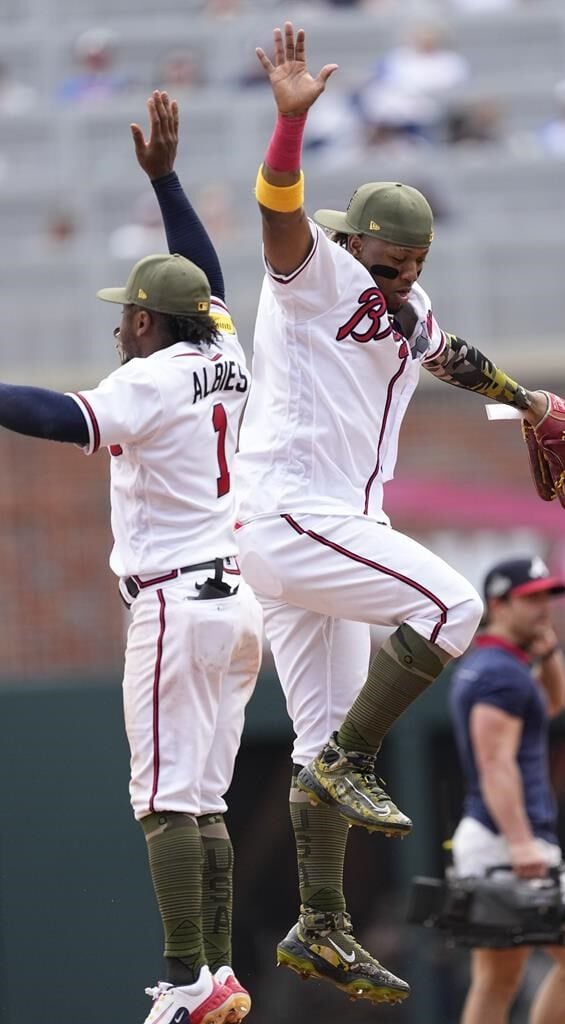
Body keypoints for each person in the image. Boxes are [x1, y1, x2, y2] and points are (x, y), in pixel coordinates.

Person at [232, 21, 565, 1005]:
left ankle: (320, 923)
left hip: (318, 533)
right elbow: (274, 209)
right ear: (350, 244)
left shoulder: (407, 306)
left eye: (406, 266)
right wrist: (288, 126)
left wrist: (528, 399)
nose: (390, 280)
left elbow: (451, 354)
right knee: (451, 609)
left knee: (310, 744)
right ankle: (353, 755)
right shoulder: (313, 275)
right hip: (289, 510)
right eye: (380, 263)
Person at [0, 91, 262, 1024]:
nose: (121, 327)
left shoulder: (148, 378)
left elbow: (53, 415)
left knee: (159, 801)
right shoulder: (227, 349)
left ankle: (189, 978)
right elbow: (210, 276)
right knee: (206, 802)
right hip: (236, 607)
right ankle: (216, 977)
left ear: (148, 325)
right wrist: (166, 182)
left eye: (128, 315)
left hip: (173, 604)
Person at [448, 556, 565, 1024]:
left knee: (499, 979)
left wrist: (547, 648)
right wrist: (519, 843)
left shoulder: (503, 665)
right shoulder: (500, 673)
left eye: (546, 597)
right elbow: (495, 763)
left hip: (496, 837)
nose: (543, 608)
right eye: (530, 598)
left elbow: (555, 702)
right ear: (498, 603)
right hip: (506, 839)